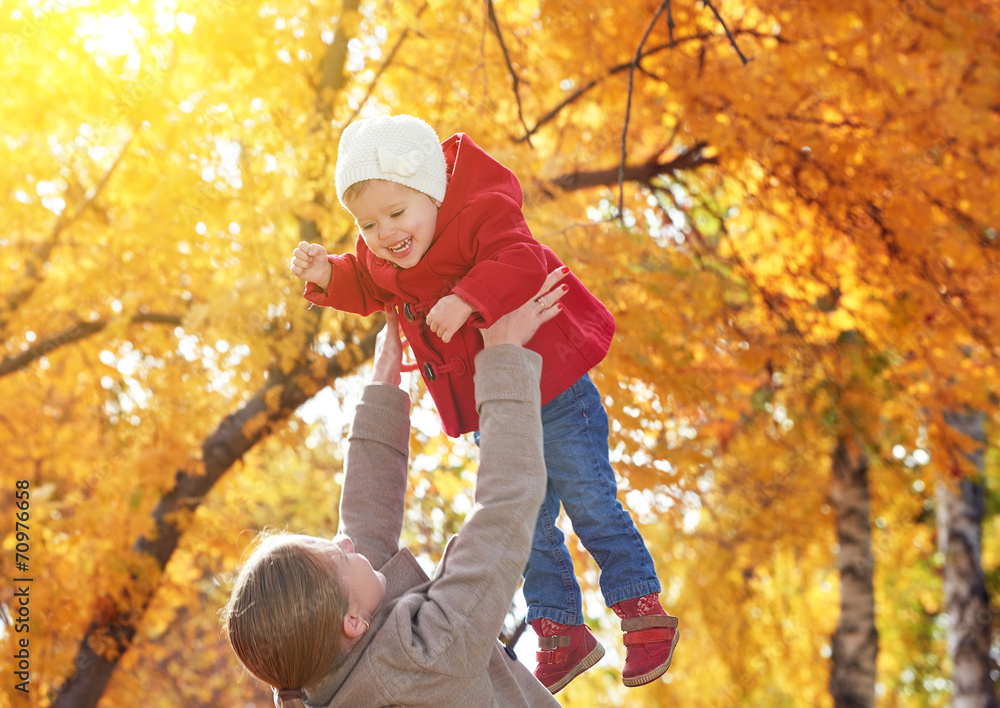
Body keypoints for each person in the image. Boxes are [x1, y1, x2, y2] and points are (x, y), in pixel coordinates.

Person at [288, 114, 678, 692]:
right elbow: (370, 286)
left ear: (433, 192)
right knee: (528, 524)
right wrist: (330, 274)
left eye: (397, 213)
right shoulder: (387, 254)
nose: (385, 234)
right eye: (367, 224)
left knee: (590, 498)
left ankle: (642, 612)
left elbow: (520, 259)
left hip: (552, 387)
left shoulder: (477, 209)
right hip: (488, 405)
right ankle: (560, 629)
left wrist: (467, 299)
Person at [224, 272, 570, 707]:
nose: (346, 542)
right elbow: (506, 505)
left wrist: (383, 387)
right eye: (340, 556)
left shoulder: (316, 666)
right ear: (352, 622)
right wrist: (502, 357)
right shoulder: (426, 660)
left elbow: (363, 525)